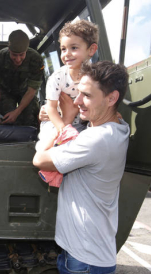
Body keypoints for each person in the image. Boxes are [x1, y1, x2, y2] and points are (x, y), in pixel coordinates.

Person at [33, 61, 130, 274]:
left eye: (86, 95)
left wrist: (65, 119)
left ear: (112, 98)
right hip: (87, 253)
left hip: (84, 260)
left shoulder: (97, 139)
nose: (77, 102)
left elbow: (39, 159)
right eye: (77, 93)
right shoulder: (118, 127)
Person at [37, 20, 99, 187]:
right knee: (46, 147)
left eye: (74, 48)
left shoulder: (96, 77)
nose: (67, 54)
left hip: (80, 123)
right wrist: (63, 130)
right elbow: (50, 108)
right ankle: (51, 175)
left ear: (91, 50)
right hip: (55, 122)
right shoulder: (58, 77)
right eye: (63, 49)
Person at [0, 30, 44, 127]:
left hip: (26, 92)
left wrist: (17, 111)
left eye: (22, 55)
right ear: (9, 49)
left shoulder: (36, 59)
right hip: (6, 91)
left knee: (30, 118)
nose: (18, 59)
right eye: (14, 55)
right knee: (6, 119)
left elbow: (32, 90)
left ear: (26, 51)